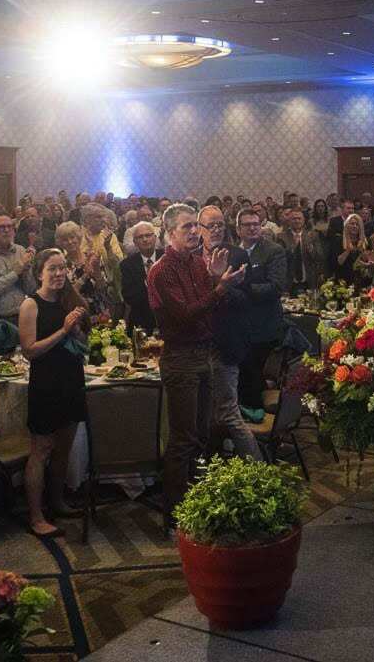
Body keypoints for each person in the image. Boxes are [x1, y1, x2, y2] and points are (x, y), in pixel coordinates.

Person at [147, 204, 246, 529]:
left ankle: (197, 501)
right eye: (187, 227)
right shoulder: (161, 271)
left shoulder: (196, 263)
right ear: (170, 233)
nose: (194, 232)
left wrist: (216, 280)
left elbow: (209, 308)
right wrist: (219, 287)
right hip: (180, 357)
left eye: (195, 227)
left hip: (203, 354)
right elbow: (186, 314)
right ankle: (175, 513)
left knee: (203, 434)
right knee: (182, 439)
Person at [18, 248, 88, 538]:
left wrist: (76, 331)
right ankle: (35, 516)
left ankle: (57, 502)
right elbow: (30, 350)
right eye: (52, 269)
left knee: (63, 448)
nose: (59, 274)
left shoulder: (69, 300)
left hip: (71, 379)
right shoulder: (30, 305)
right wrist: (63, 331)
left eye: (62, 268)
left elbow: (84, 342)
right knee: (42, 449)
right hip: (46, 383)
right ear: (39, 273)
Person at [196, 205, 266, 458]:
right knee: (205, 414)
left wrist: (219, 282)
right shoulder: (191, 257)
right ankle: (208, 468)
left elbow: (245, 300)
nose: (215, 230)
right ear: (199, 228)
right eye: (210, 225)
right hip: (196, 344)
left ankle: (259, 474)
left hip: (224, 343)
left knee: (227, 412)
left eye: (220, 226)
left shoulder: (236, 255)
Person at [234, 207, 287, 415]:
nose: (253, 228)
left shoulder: (273, 250)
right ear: (238, 229)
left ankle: (257, 426)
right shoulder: (233, 252)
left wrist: (241, 287)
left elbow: (275, 287)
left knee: (251, 376)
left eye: (256, 224)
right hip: (238, 328)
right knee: (243, 379)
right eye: (247, 225)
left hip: (263, 327)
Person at [119, 221, 159, 335]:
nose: (145, 239)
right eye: (140, 237)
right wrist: (147, 282)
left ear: (155, 238)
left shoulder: (167, 257)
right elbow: (129, 296)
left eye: (148, 235)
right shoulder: (127, 265)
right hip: (141, 320)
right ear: (135, 242)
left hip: (169, 317)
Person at [278, 209, 322, 296]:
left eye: (299, 218)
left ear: (303, 220)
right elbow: (280, 260)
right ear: (289, 221)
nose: (297, 221)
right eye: (294, 219)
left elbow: (319, 257)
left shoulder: (313, 235)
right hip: (289, 282)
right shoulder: (281, 237)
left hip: (309, 281)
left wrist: (311, 249)